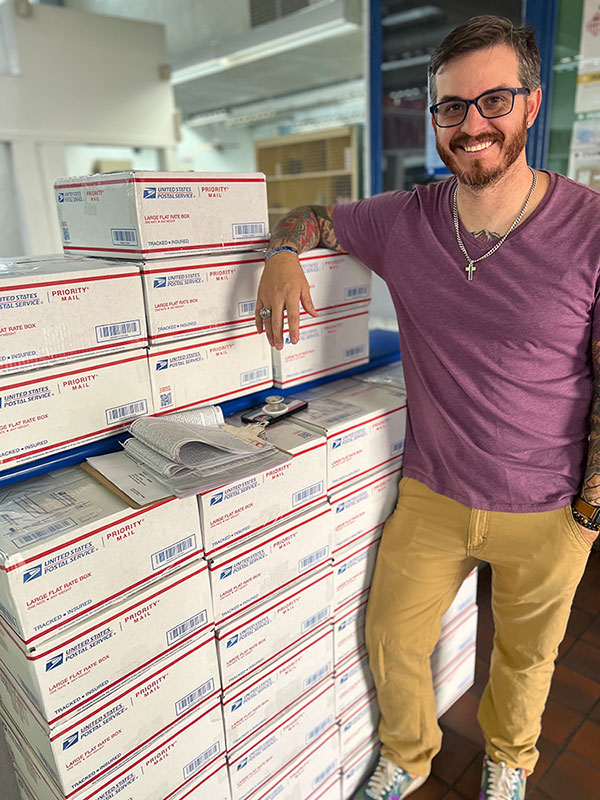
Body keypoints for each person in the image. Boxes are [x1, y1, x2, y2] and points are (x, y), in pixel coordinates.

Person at [254, 15, 599, 800]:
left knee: (525, 656)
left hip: (546, 507)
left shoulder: (589, 228)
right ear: (433, 117)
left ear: (533, 104)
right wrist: (281, 252)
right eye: (451, 107)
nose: (472, 123)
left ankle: (509, 761)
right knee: (391, 635)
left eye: (495, 100)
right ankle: (408, 756)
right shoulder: (405, 220)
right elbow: (312, 215)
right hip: (434, 492)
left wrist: (588, 512)